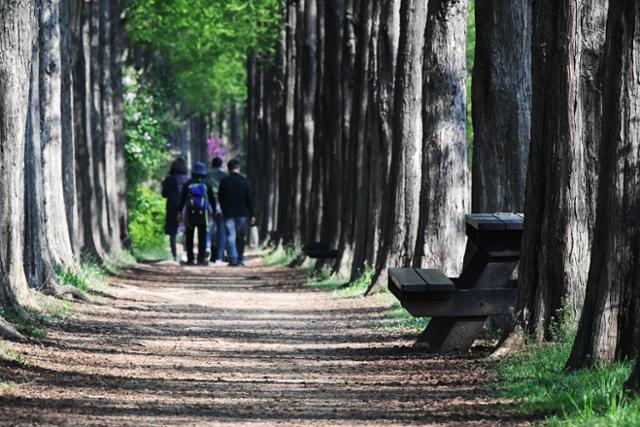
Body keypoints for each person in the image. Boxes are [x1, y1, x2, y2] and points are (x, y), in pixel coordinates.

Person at [178, 161, 216, 265]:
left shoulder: (188, 184)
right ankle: (200, 260)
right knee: (202, 237)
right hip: (204, 214)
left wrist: (180, 212)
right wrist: (214, 211)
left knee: (189, 236)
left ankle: (190, 259)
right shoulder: (207, 184)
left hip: (190, 214)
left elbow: (182, 200)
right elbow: (212, 199)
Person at [218, 159, 255, 267]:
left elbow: (220, 197)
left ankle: (233, 259)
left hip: (228, 213)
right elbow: (249, 199)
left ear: (229, 169)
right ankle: (240, 258)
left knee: (230, 236)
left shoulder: (224, 181)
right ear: (238, 168)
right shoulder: (245, 181)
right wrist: (252, 214)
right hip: (242, 213)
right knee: (240, 237)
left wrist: (223, 209)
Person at [161, 157, 189, 262]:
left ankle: (174, 255)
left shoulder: (169, 180)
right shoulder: (187, 180)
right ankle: (186, 254)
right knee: (187, 231)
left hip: (172, 207)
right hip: (185, 208)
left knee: (173, 233)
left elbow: (164, 195)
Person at [206, 157, 228, 264]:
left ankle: (207, 248)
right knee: (221, 230)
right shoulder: (225, 175)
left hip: (208, 202)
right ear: (221, 165)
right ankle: (220, 256)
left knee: (209, 227)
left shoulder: (206, 174)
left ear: (212, 164)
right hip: (222, 203)